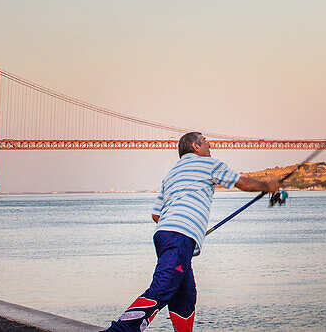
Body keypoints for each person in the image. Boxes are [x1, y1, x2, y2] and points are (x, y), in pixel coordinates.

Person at [105, 131, 280, 332]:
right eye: (206, 142)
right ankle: (118, 331)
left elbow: (156, 215)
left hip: (164, 235)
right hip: (180, 237)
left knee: (185, 295)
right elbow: (242, 183)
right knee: (162, 287)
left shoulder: (171, 174)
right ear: (195, 147)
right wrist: (269, 185)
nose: (209, 145)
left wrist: (180, 225)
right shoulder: (209, 164)